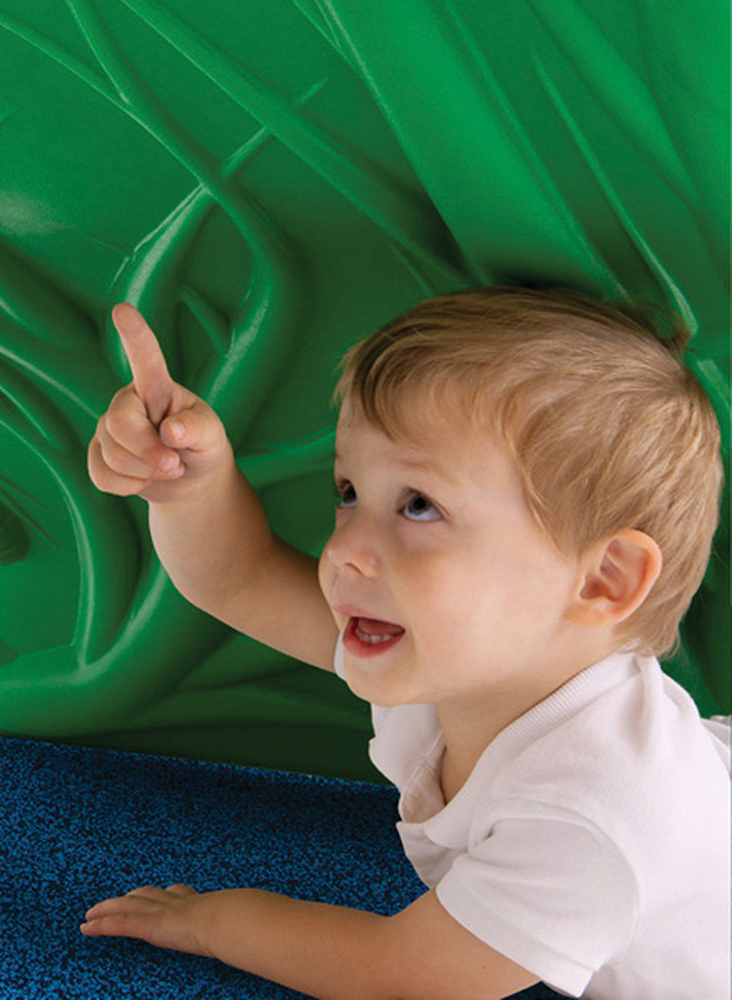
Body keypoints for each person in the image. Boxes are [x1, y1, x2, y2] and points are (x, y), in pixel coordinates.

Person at [81, 287, 730, 1000]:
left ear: (603, 579)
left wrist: (214, 922)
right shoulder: (455, 662)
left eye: (419, 506)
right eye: (350, 491)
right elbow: (241, 578)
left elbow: (400, 977)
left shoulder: (589, 818)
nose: (348, 549)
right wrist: (186, 483)